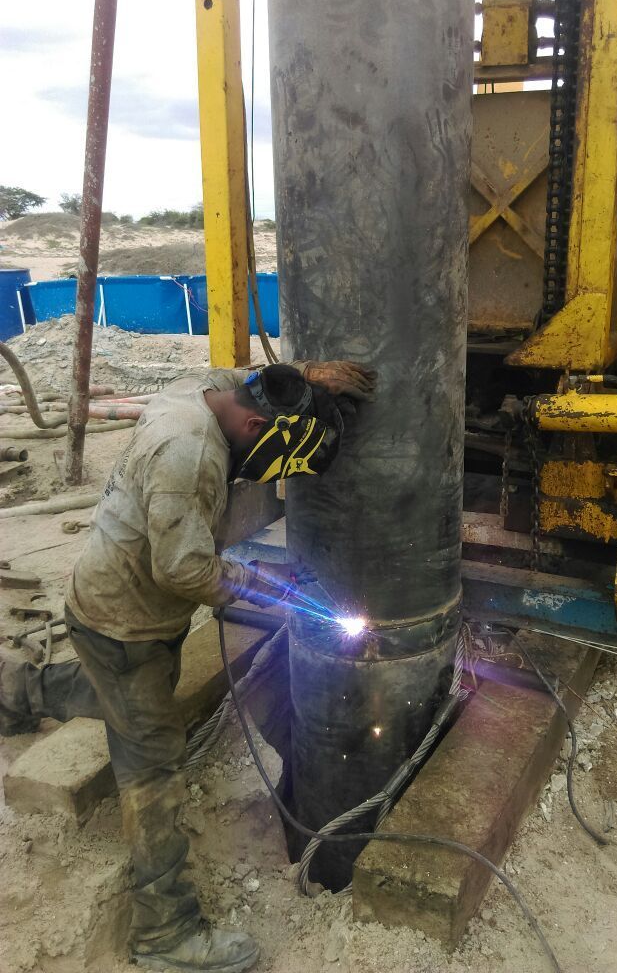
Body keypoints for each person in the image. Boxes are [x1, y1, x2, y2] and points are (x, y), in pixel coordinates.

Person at [0, 358, 375, 973]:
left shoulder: (207, 393)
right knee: (154, 767)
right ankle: (164, 933)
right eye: (270, 461)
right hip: (127, 623)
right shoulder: (190, 457)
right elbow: (184, 570)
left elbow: (250, 377)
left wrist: (304, 377)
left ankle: (14, 692)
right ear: (255, 425)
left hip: (110, 607)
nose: (259, 477)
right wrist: (271, 591)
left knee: (124, 696)